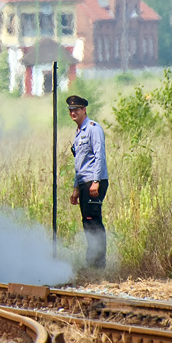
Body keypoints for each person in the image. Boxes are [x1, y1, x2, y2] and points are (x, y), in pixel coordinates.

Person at [67, 95, 108, 269]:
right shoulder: (79, 132)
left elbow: (99, 156)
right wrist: (76, 187)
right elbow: (79, 163)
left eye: (76, 109)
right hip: (84, 182)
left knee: (93, 220)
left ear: (84, 110)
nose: (73, 113)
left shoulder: (93, 129)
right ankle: (93, 261)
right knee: (87, 221)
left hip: (94, 181)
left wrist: (96, 182)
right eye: (70, 110)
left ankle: (97, 263)